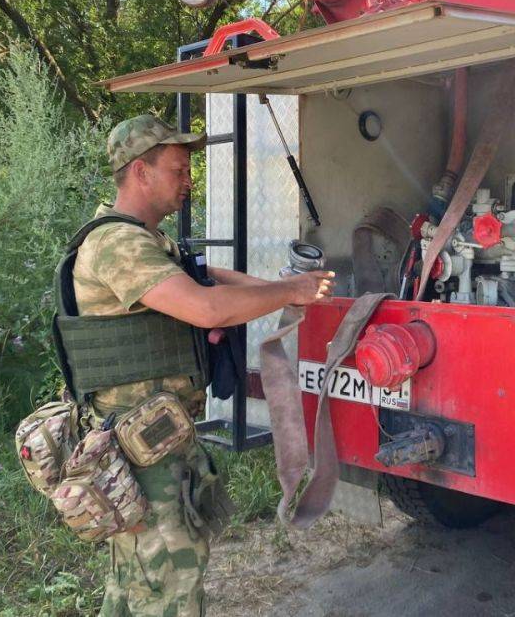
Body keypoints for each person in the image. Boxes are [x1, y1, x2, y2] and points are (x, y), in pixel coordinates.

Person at [70, 113, 334, 616]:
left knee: (137, 582)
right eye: (177, 170)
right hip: (141, 449)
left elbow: (208, 276)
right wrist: (293, 290)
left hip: (154, 439)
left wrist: (289, 290)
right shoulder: (118, 244)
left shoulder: (149, 240)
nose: (188, 181)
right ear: (140, 172)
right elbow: (207, 308)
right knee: (169, 584)